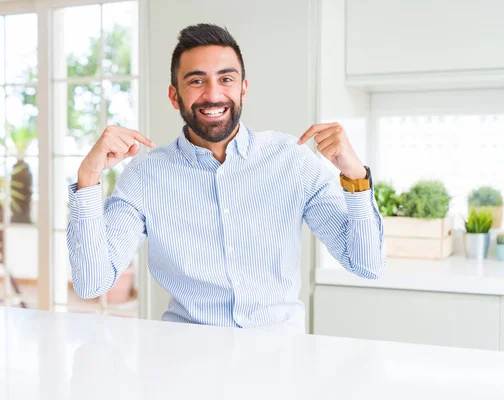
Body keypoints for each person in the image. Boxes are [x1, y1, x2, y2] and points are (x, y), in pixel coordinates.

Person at [67, 23, 385, 332]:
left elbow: (366, 265)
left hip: (280, 362)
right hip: (186, 360)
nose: (213, 94)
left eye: (226, 78)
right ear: (174, 96)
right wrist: (88, 177)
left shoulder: (292, 161)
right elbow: (92, 282)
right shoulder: (144, 176)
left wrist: (355, 175)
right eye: (196, 81)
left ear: (243, 88)